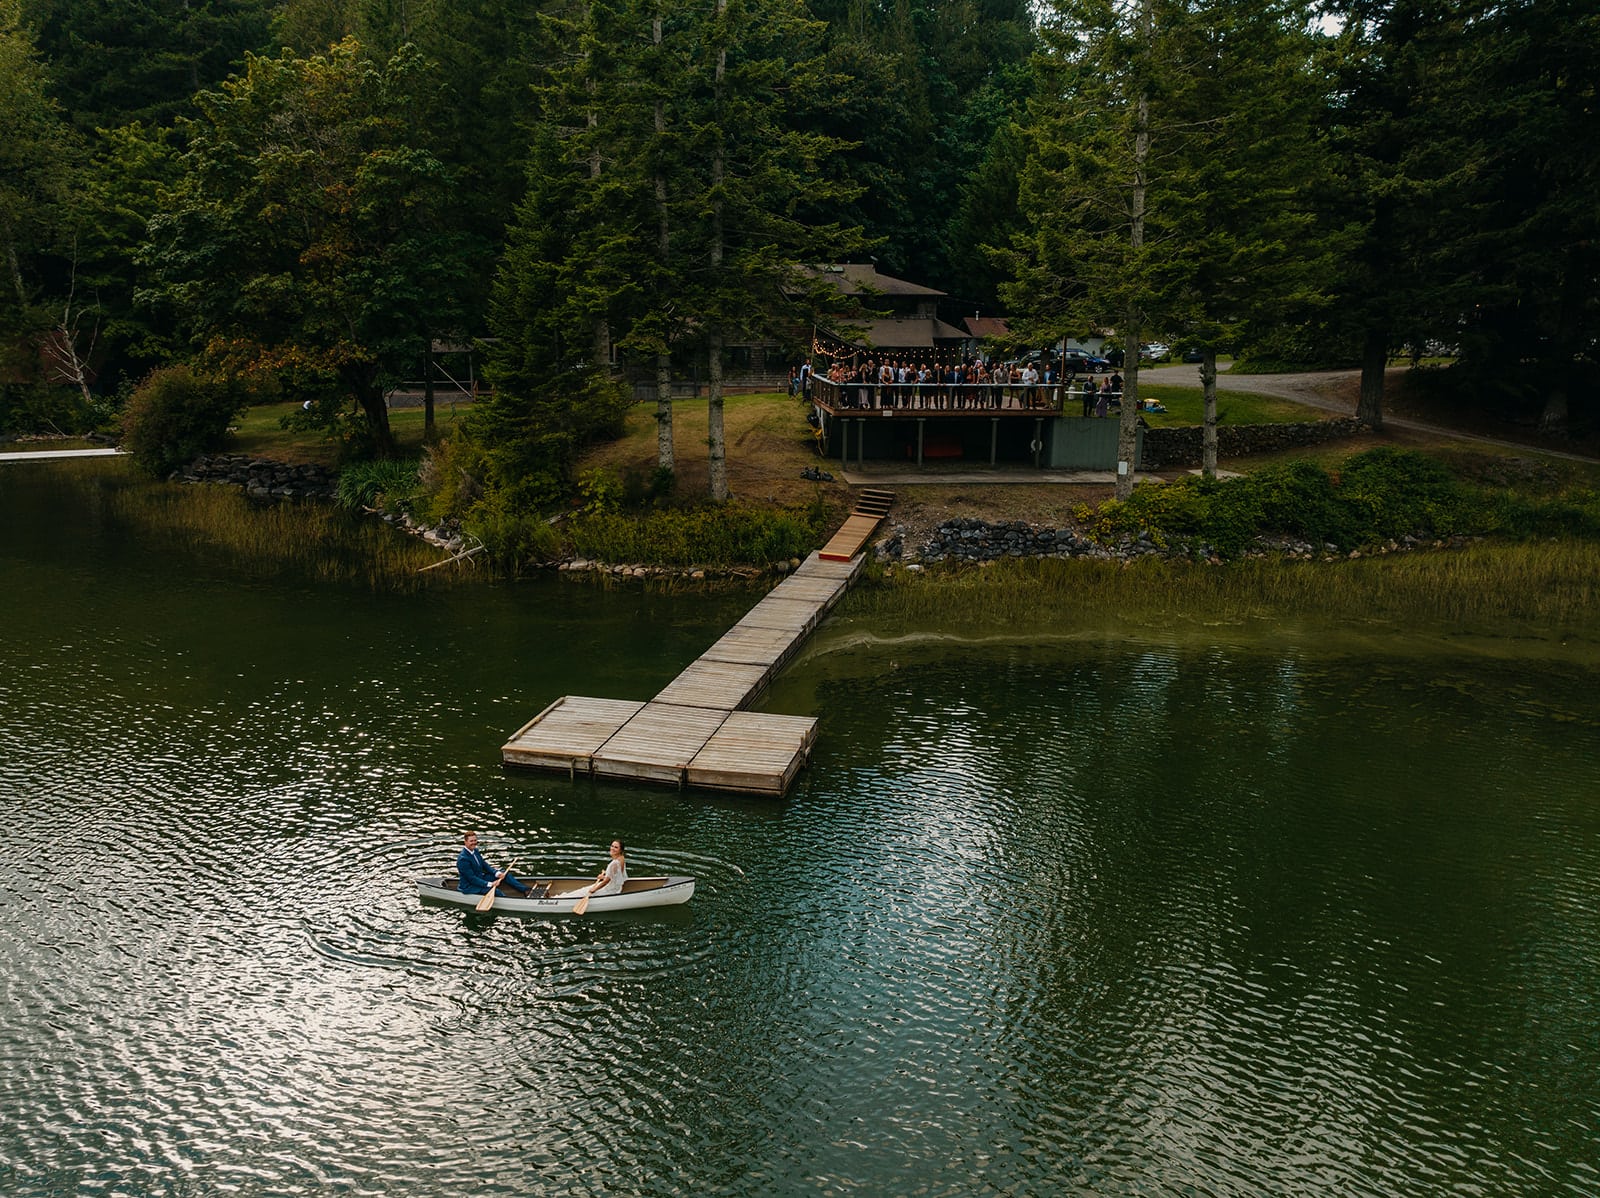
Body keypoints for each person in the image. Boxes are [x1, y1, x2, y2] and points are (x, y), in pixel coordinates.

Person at [456, 831, 530, 897]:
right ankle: (509, 902)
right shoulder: (463, 859)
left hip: (480, 878)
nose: (474, 843)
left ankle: (526, 890)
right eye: (471, 841)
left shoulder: (475, 850)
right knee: (496, 891)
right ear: (465, 842)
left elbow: (484, 865)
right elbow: (472, 879)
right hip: (470, 886)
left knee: (504, 873)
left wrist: (497, 873)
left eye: (475, 840)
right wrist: (490, 884)